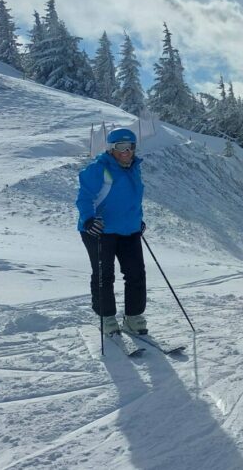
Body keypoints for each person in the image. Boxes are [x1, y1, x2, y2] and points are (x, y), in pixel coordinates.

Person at [75, 128, 147, 336]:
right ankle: (106, 317)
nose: (127, 151)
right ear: (111, 148)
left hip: (129, 230)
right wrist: (88, 219)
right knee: (104, 275)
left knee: (136, 273)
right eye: (121, 147)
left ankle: (133, 317)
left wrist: (137, 220)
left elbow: (132, 199)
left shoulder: (134, 168)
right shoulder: (99, 169)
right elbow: (84, 197)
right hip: (99, 230)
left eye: (130, 146)